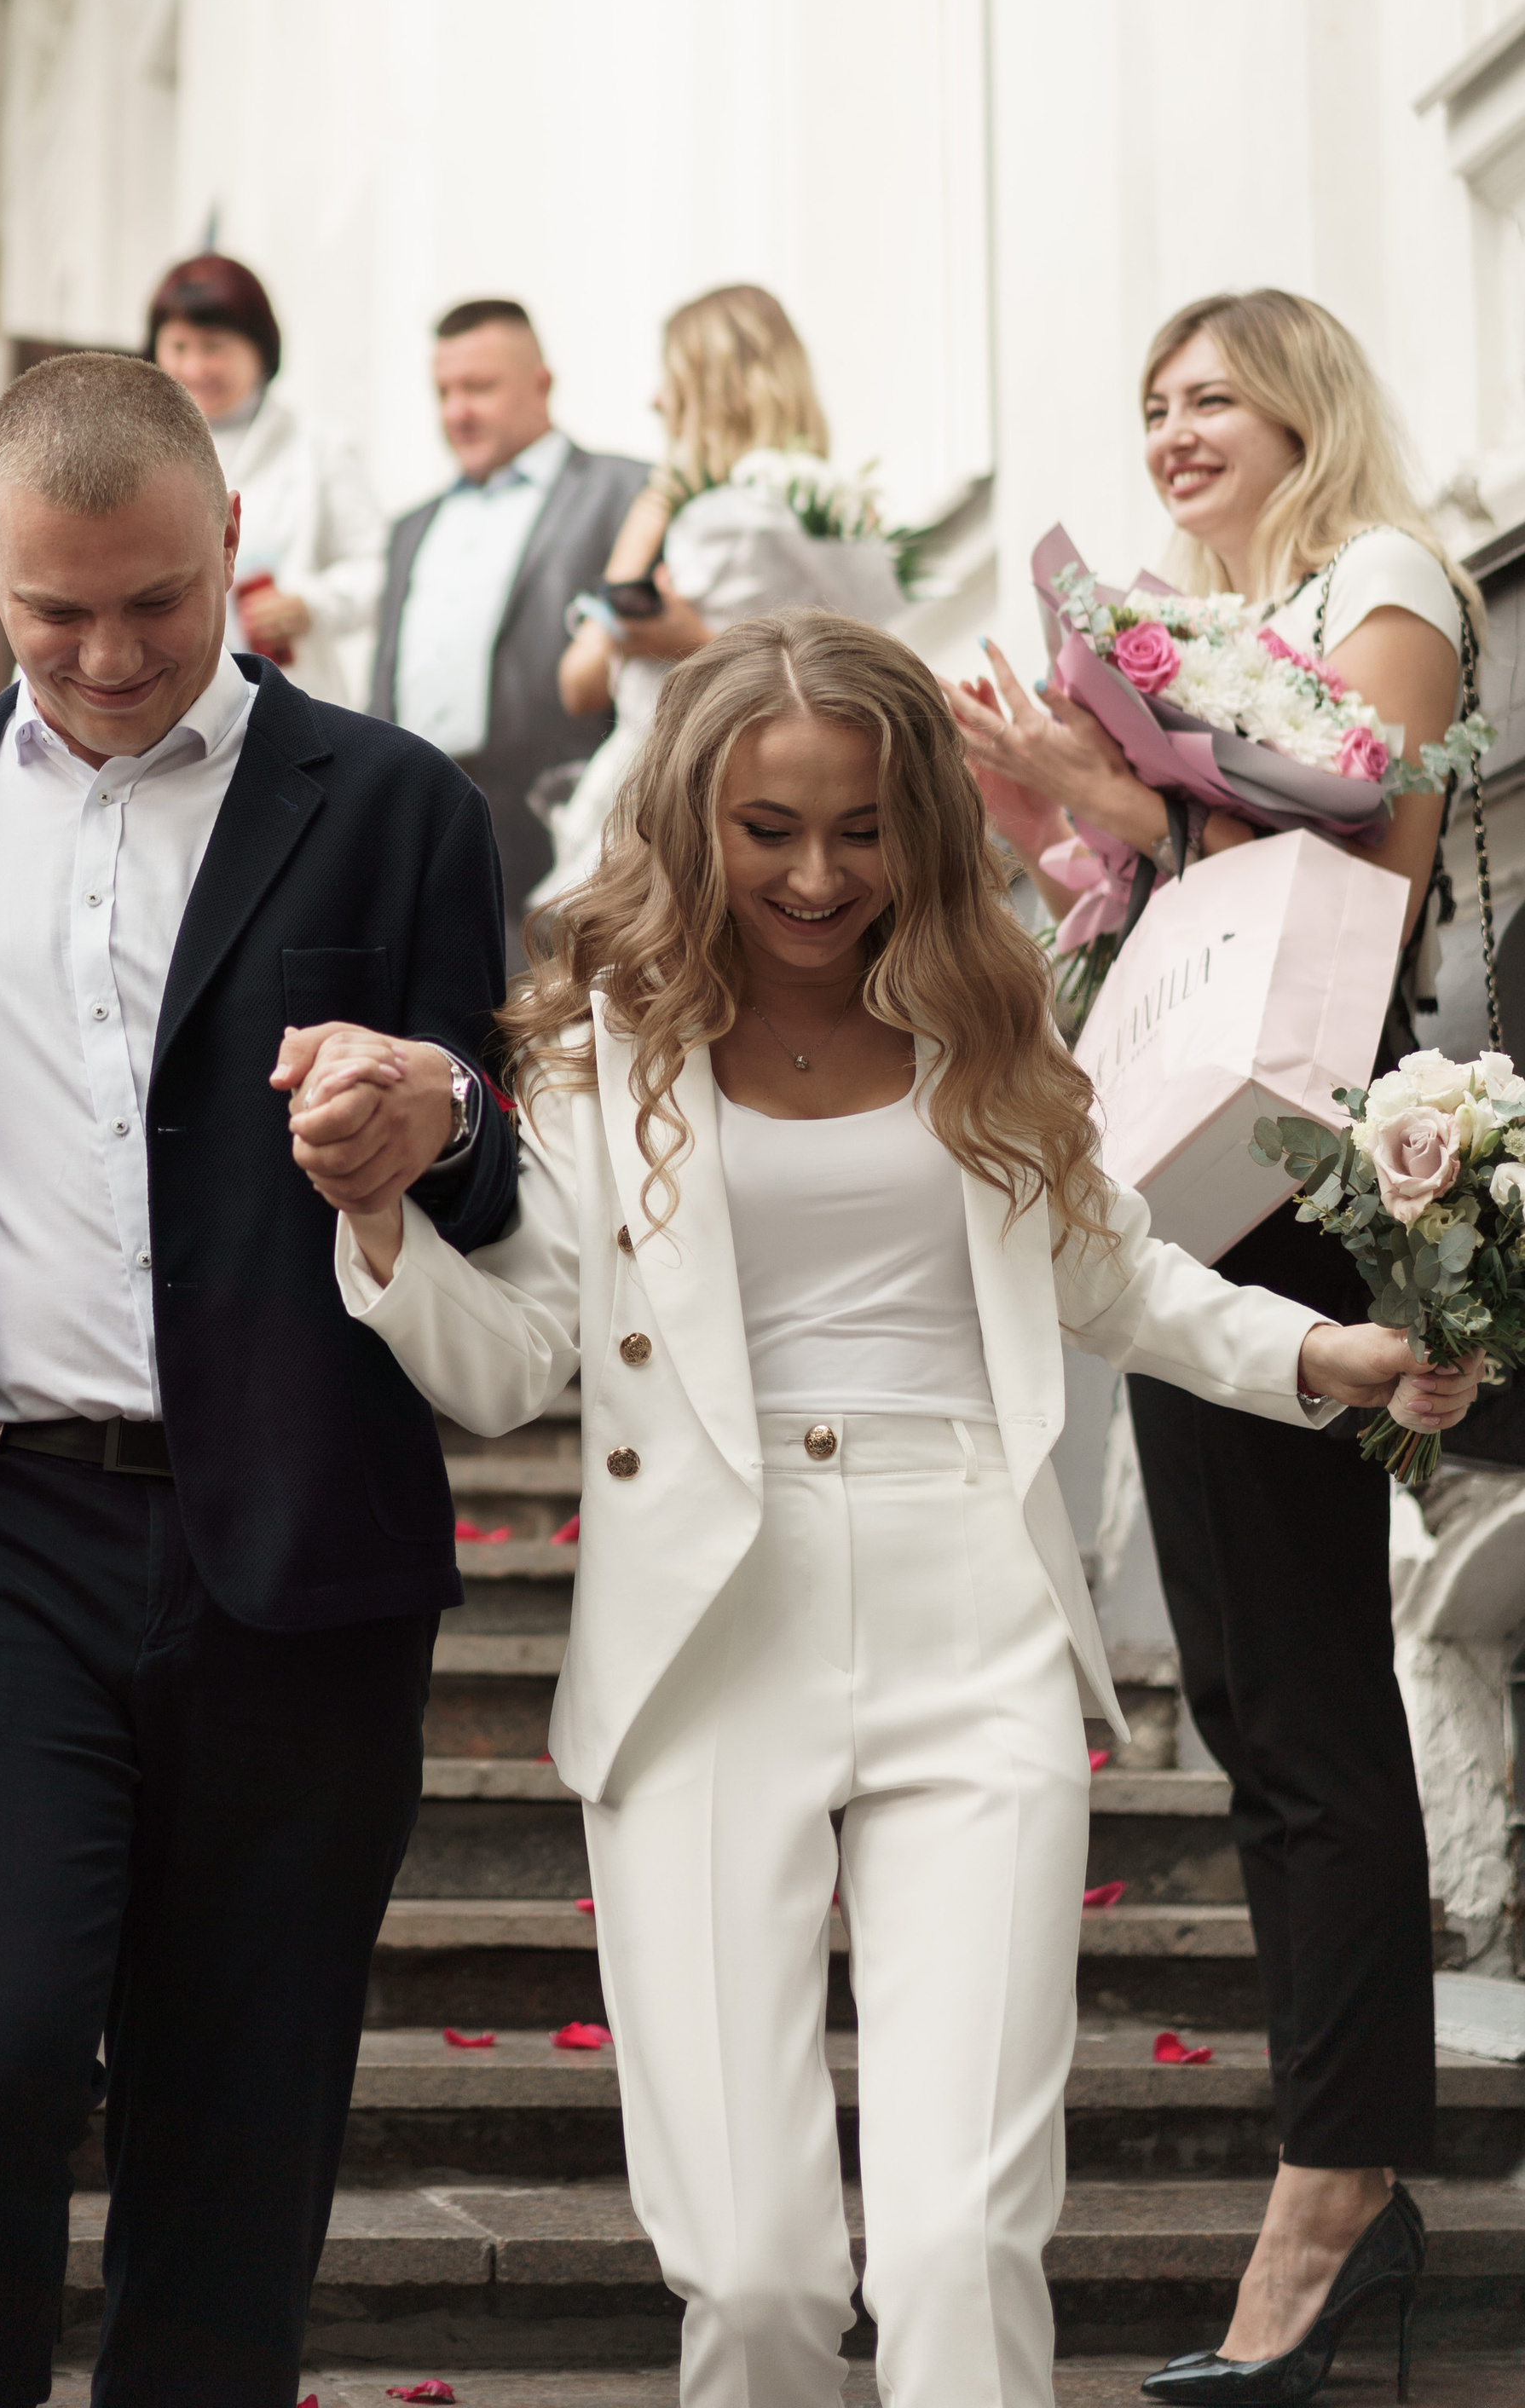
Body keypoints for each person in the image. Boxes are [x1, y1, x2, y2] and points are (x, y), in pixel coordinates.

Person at [295, 609, 1473, 2408]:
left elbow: (1118, 1277)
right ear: (693, 821)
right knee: (758, 2281)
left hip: (968, 1623)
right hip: (702, 1641)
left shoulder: (982, 1018)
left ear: (913, 823)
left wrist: (1323, 1359)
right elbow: (510, 1362)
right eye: (768, 830)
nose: (817, 874)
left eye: (856, 827)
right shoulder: (595, 1058)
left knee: (954, 2249)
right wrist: (379, 1231)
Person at [0, 352, 517, 2408]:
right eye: (53, 610)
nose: (107, 653)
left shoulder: (395, 804)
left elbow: (504, 1148)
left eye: (155, 605)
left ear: (234, 549)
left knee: (241, 2114)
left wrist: (427, 1110)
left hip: (298, 1539)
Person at [947, 289, 1476, 2397]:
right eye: (1147, 406)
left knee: (1308, 1699)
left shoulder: (1379, 584)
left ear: (1300, 408)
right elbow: (1169, 891)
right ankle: (1334, 2170)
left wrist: (1128, 798)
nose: (1170, 434)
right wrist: (1050, 813)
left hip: (1328, 1182)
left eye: (1209, 398)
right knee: (1253, 1698)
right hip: (1192, 1180)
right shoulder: (1185, 624)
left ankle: (1334, 2193)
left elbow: (1374, 869)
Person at [540, 281, 902, 905]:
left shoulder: (719, 522)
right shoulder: (826, 513)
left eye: (670, 378)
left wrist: (654, 509)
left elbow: (581, 679)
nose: (655, 401)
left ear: (711, 388)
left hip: (677, 787)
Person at [371, 298, 648, 961]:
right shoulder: (410, 526)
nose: (457, 411)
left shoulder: (625, 492)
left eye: (480, 387)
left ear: (541, 385)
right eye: (444, 392)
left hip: (566, 838)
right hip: (422, 839)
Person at [147, 251, 387, 706]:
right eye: (179, 347)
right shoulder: (131, 451)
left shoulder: (318, 450)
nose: (195, 368)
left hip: (286, 701)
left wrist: (309, 604)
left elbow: (384, 571)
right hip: (165, 707)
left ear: (259, 349)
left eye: (214, 347)